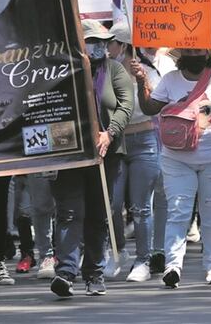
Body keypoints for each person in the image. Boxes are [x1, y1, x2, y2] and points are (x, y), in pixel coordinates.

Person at [138, 46, 211, 288]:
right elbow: (149, 108)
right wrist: (141, 82)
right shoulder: (171, 79)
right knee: (178, 211)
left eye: (198, 51)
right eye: (189, 51)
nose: (194, 56)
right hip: (176, 159)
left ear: (208, 51)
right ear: (181, 53)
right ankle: (173, 265)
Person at [48, 20, 133, 298]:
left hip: (106, 153)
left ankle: (94, 273)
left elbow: (125, 105)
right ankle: (65, 272)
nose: (98, 46)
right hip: (70, 153)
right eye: (92, 40)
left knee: (99, 214)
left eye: (101, 41)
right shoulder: (63, 69)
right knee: (69, 212)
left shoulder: (115, 69)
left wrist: (109, 133)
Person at [107, 22, 162, 282]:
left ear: (124, 45)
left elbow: (156, 105)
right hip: (115, 144)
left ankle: (143, 260)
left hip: (145, 142)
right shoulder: (103, 72)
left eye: (111, 43)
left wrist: (143, 82)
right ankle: (116, 251)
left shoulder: (149, 70)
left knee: (141, 207)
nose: (107, 48)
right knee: (112, 204)